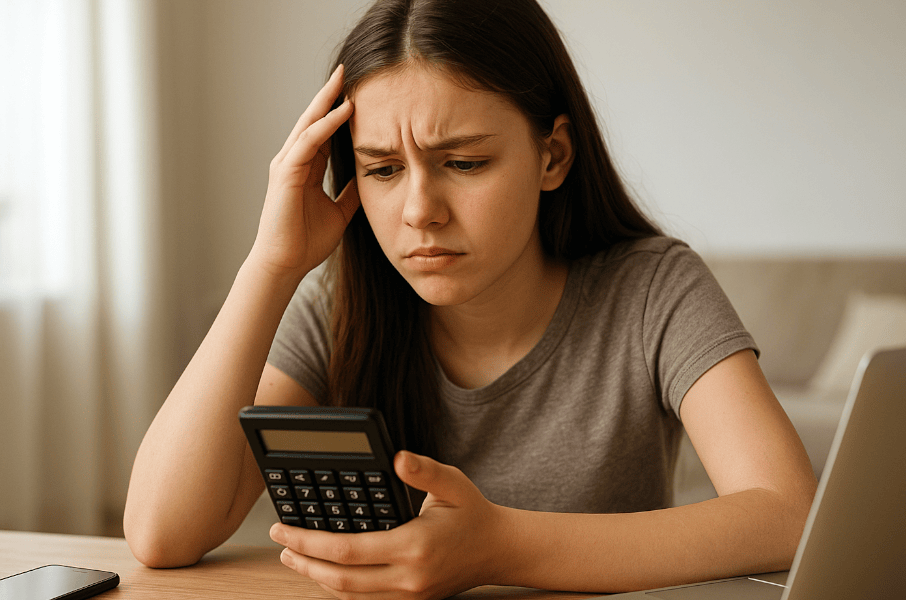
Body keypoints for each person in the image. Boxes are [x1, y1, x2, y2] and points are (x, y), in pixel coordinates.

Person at [123, 0, 817, 597]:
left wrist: (499, 548)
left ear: (552, 156)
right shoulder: (337, 308)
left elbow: (788, 514)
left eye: (463, 162)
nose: (419, 211)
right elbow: (159, 533)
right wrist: (271, 264)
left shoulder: (653, 290)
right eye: (382, 170)